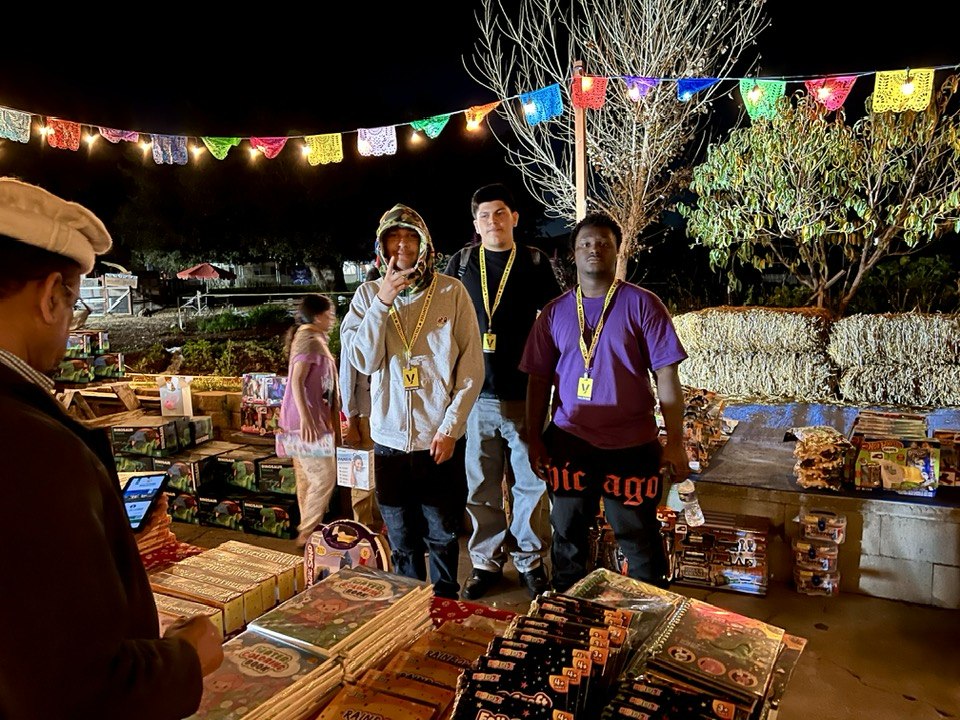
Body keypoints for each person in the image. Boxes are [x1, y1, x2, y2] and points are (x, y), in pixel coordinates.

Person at [0, 177, 223, 718]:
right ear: (50, 296)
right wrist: (188, 657)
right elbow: (77, 691)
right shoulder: (34, 447)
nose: (70, 326)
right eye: (73, 306)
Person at [520, 211, 690, 592]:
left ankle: (650, 609)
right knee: (567, 536)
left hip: (632, 446)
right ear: (573, 254)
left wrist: (675, 441)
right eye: (585, 243)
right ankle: (567, 607)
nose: (593, 249)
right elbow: (538, 380)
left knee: (638, 536)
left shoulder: (644, 305)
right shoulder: (554, 313)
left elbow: (667, 376)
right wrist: (534, 438)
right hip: (569, 441)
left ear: (617, 251)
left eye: (603, 243)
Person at [340, 204, 483, 599]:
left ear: (424, 245)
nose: (401, 245)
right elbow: (363, 360)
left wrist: (451, 428)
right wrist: (382, 301)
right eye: (393, 238)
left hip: (438, 439)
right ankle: (410, 608)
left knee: (442, 533)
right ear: (381, 247)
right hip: (389, 443)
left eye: (409, 237)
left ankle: (445, 602)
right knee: (402, 537)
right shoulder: (366, 295)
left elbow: (471, 369)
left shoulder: (452, 292)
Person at [443, 183, 563, 600]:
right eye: (484, 215)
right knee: (481, 486)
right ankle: (485, 563)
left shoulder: (534, 261)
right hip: (476, 397)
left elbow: (555, 322)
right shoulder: (460, 264)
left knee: (530, 486)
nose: (492, 221)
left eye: (499, 213)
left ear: (514, 218)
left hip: (526, 395)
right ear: (475, 224)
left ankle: (531, 561)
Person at [278, 293, 341, 547]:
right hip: (305, 423)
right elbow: (297, 380)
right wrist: (306, 419)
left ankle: (309, 534)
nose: (332, 319)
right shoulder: (308, 339)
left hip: (309, 420)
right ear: (317, 316)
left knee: (308, 478)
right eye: (329, 315)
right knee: (325, 476)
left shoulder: (313, 338)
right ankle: (307, 531)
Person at [339, 349, 383, 533]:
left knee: (383, 474)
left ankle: (380, 525)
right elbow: (346, 379)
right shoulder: (353, 333)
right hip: (365, 416)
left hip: (387, 416)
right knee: (362, 475)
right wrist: (351, 421)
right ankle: (363, 528)